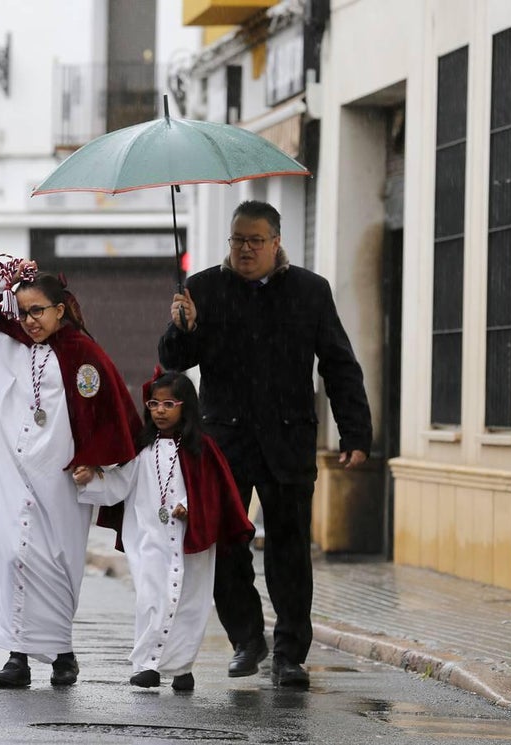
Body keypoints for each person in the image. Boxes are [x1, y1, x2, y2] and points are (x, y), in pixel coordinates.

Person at [159, 200, 372, 688]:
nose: (246, 249)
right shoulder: (203, 289)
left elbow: (339, 364)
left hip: (288, 438)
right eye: (238, 240)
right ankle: (247, 638)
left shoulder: (310, 291)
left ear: (277, 242)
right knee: (226, 544)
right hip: (225, 440)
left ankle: (290, 654)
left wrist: (355, 431)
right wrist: (182, 326)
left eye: (256, 240)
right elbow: (173, 363)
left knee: (290, 550)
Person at [0, 256, 142, 688]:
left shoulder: (84, 353)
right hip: (15, 476)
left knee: (58, 565)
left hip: (62, 480)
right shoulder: (5, 345)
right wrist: (0, 281)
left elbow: (110, 413)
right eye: (23, 311)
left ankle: (63, 652)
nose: (29, 321)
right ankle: (18, 657)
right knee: (15, 558)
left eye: (38, 311)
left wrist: (96, 461)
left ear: (60, 310)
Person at [75, 369, 254, 692]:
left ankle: (182, 667)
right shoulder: (141, 449)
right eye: (154, 404)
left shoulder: (205, 449)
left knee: (190, 603)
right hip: (149, 537)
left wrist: (192, 508)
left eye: (168, 403)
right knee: (151, 597)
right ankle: (148, 665)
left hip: (191, 540)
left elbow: (215, 493)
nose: (159, 410)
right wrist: (93, 479)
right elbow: (118, 484)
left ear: (185, 406)